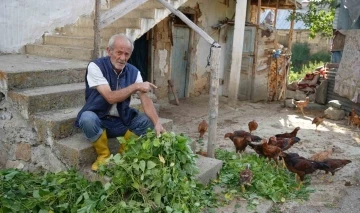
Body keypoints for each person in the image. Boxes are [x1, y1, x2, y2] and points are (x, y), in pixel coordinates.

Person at [75, 33, 165, 171]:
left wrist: (157, 123)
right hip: (99, 120)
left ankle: (123, 156)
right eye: (119, 53)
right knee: (86, 118)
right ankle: (104, 156)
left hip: (121, 121)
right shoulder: (96, 66)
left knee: (147, 120)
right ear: (109, 51)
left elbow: (146, 101)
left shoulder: (134, 72)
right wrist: (135, 86)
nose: (123, 58)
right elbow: (110, 97)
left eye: (127, 54)